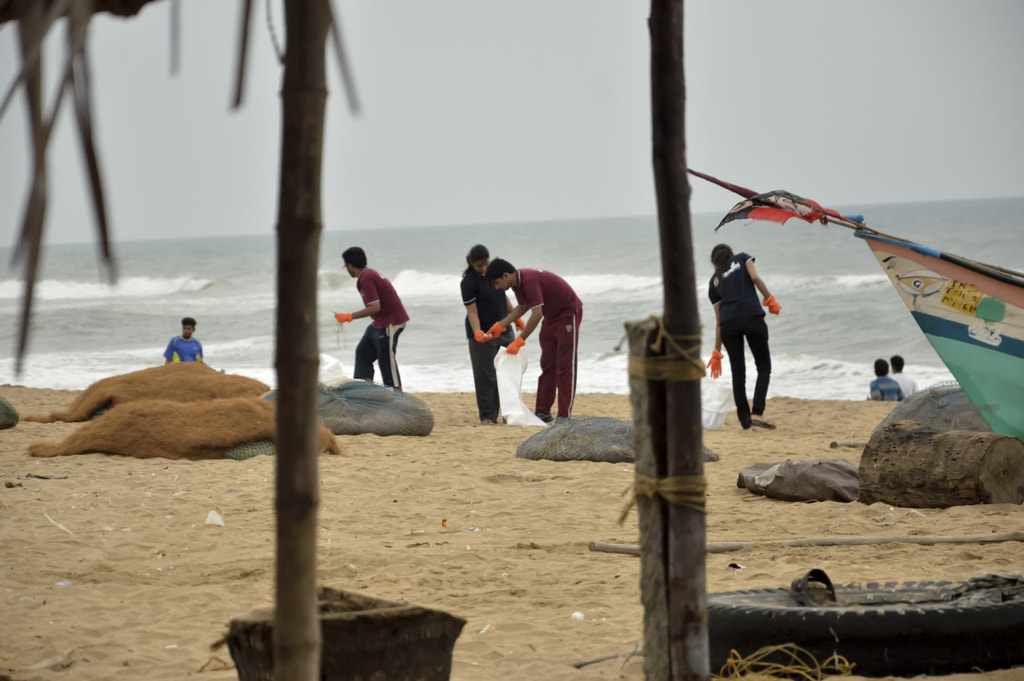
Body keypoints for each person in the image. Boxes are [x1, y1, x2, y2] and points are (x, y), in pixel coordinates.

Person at [485, 258, 582, 424]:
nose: (496, 287)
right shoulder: (516, 284)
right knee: (548, 365)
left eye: (496, 282)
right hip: (550, 317)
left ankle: (564, 415)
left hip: (567, 313)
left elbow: (536, 314)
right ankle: (543, 412)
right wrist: (500, 325)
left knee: (565, 366)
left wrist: (519, 341)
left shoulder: (529, 280)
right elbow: (523, 306)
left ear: (506, 275)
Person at [706, 244, 780, 430]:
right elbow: (755, 278)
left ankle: (745, 419)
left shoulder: (714, 282)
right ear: (730, 254)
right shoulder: (742, 258)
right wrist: (769, 298)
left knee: (738, 372)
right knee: (763, 366)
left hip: (728, 326)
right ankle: (757, 412)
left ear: (714, 262)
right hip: (752, 318)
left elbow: (719, 320)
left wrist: (717, 351)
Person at [334, 247, 409, 390]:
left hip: (391, 322)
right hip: (379, 322)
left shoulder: (367, 277)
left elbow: (375, 307)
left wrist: (349, 317)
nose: (346, 269)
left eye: (345, 266)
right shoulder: (366, 275)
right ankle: (367, 394)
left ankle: (399, 402)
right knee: (362, 352)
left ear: (349, 265)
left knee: (386, 362)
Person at [461, 245, 517, 425]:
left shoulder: (494, 273)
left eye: (486, 264)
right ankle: (488, 416)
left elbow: (504, 295)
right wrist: (478, 331)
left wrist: (515, 317)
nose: (484, 269)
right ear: (471, 263)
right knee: (486, 376)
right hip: (483, 333)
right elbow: (472, 312)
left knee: (509, 373)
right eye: (479, 266)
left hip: (505, 329)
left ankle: (510, 413)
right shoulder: (469, 282)